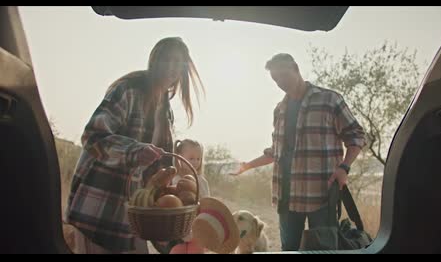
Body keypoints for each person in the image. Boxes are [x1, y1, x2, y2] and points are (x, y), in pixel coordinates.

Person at [64, 37, 204, 254]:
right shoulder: (129, 89)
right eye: (167, 59)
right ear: (154, 61)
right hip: (101, 208)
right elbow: (93, 136)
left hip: (134, 219)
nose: (172, 67)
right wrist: (134, 151)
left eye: (179, 62)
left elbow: (154, 171)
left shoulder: (165, 110)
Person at [230, 53, 366, 251]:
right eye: (275, 79)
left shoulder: (329, 99)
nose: (280, 83)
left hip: (321, 193)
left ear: (295, 67)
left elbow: (356, 135)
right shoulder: (280, 110)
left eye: (283, 75)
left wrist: (344, 167)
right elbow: (276, 152)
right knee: (290, 250)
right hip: (286, 197)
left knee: (323, 250)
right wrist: (248, 165)